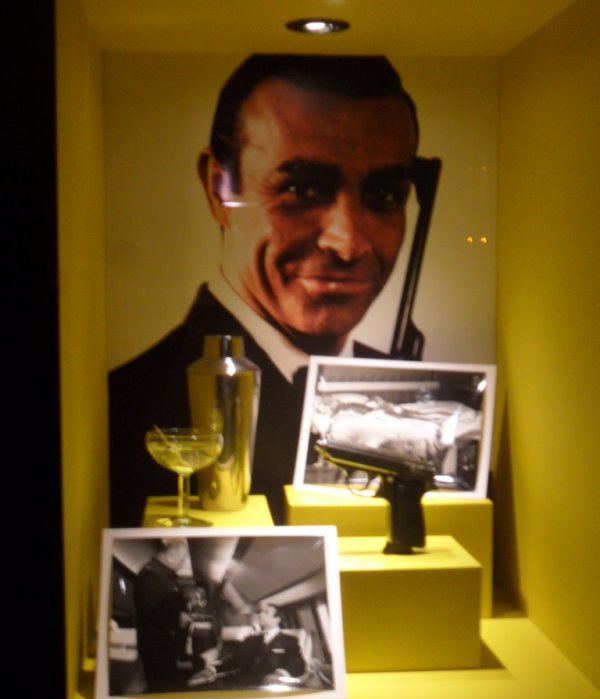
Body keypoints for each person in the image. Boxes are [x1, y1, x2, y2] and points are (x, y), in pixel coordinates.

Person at [109, 53, 421, 527]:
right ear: (219, 188)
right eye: (302, 190)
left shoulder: (415, 395)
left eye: (385, 196)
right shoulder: (124, 408)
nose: (348, 242)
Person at [133, 538, 190, 693]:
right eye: (182, 559)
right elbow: (149, 612)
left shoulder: (164, 574)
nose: (184, 564)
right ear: (170, 556)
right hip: (157, 648)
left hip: (165, 646)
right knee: (161, 688)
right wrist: (178, 618)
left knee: (166, 686)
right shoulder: (151, 574)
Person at [233, 601, 306, 687]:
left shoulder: (289, 641)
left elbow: (298, 666)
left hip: (270, 686)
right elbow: (235, 661)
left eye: (266, 613)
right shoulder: (250, 640)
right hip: (242, 685)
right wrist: (218, 668)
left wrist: (280, 674)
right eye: (261, 612)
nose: (260, 615)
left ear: (277, 620)